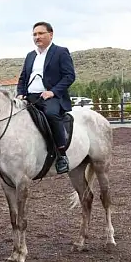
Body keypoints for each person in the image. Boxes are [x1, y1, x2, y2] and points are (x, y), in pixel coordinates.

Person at [16, 21, 76, 174]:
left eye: (41, 33)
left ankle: (61, 155)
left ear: (51, 34)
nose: (37, 37)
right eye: (35, 34)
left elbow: (69, 76)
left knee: (51, 115)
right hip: (30, 97)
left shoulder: (61, 52)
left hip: (51, 97)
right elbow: (23, 78)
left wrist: (53, 92)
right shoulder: (30, 56)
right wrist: (20, 92)